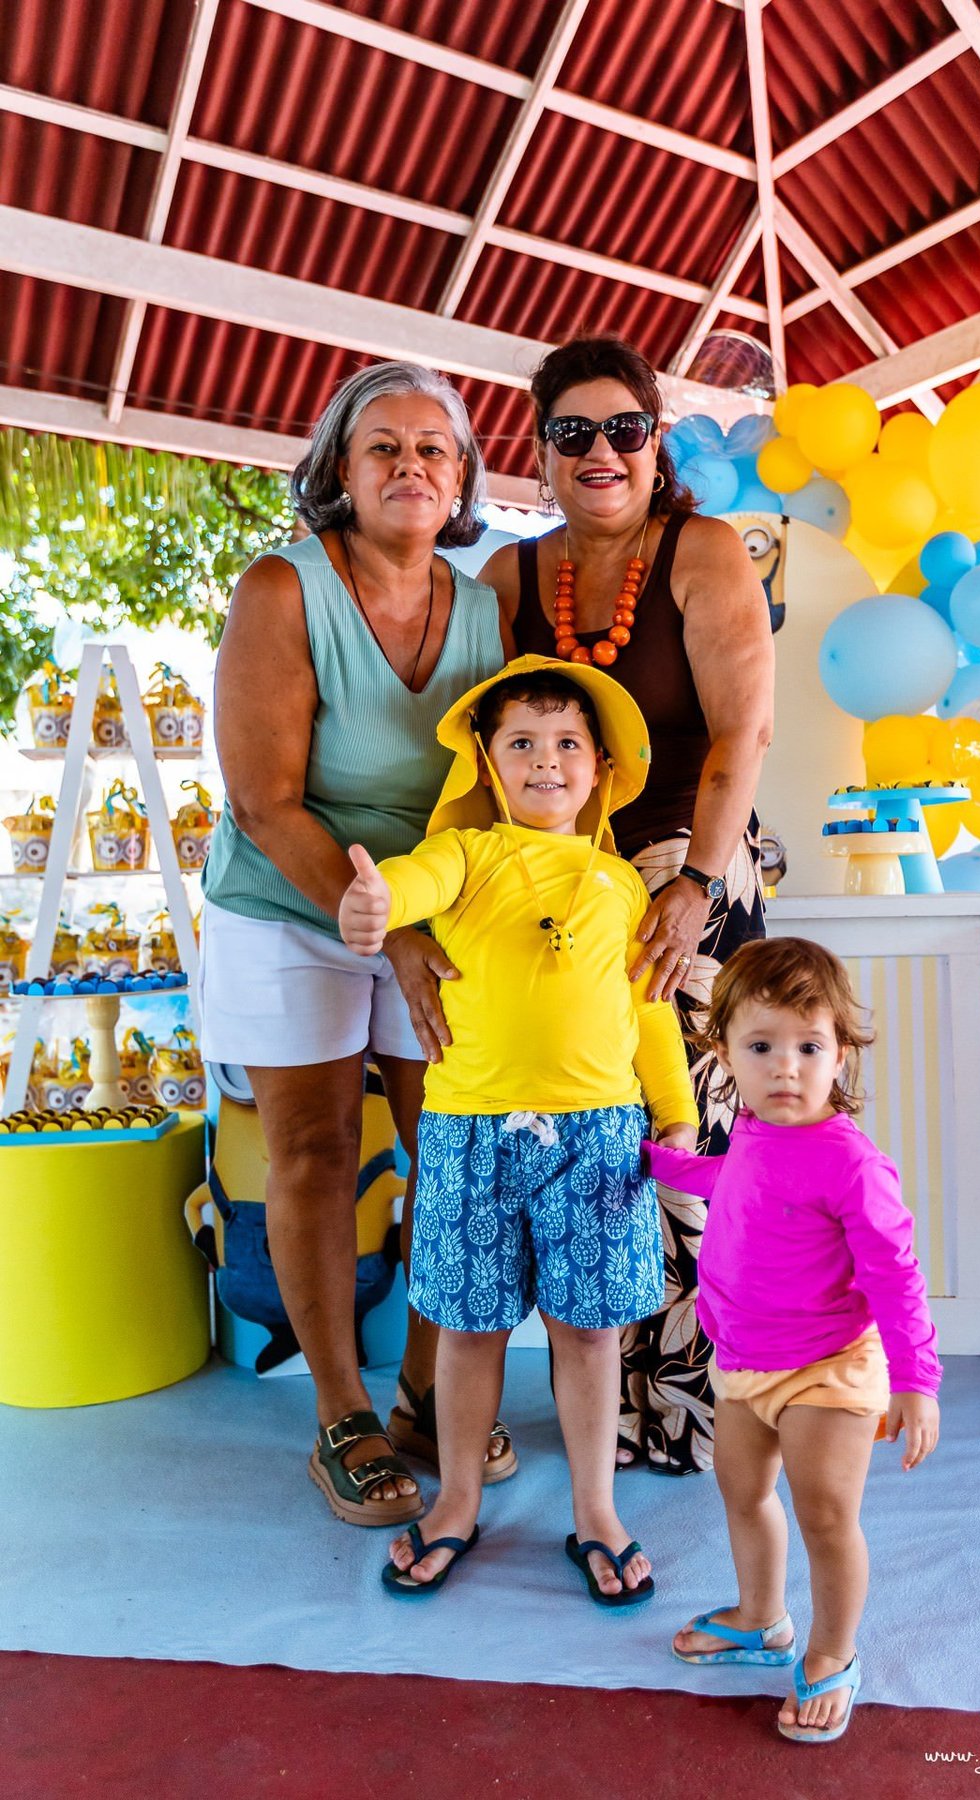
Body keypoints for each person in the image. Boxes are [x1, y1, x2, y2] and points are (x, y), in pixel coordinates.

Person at [200, 360, 515, 1528]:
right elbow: (265, 804)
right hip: (292, 903)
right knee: (319, 1153)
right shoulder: (282, 589)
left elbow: (499, 783)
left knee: (463, 1152)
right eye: (384, 446)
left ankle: (432, 1398)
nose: (412, 466)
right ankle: (341, 1412)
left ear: (465, 475)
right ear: (338, 467)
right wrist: (392, 940)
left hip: (423, 912)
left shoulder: (484, 608)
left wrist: (434, 922)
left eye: (436, 447)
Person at [477, 334, 776, 1475]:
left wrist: (695, 885)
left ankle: (699, 1409)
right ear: (541, 452)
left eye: (623, 430)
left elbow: (741, 737)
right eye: (572, 433)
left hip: (681, 867)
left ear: (656, 444)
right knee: (582, 1140)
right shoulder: (514, 576)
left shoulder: (701, 550)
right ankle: (605, 1401)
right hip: (559, 887)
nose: (599, 452)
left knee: (679, 1130)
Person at [337, 658, 698, 1601]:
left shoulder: (623, 886)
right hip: (467, 1135)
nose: (547, 760)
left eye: (568, 742)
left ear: (601, 768)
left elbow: (652, 1008)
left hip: (601, 1138)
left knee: (589, 1334)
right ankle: (456, 1500)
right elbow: (412, 882)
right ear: (490, 767)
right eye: (523, 744)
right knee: (467, 1331)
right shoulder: (469, 857)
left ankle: (595, 1510)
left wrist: (679, 1111)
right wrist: (378, 904)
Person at [646, 937, 941, 1743]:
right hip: (743, 1367)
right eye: (763, 1046)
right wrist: (663, 1165)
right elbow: (735, 1184)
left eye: (809, 1047)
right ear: (725, 1055)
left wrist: (917, 1383)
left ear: (839, 1054)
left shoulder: (851, 1163)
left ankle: (833, 1652)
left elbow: (896, 1276)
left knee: (825, 1514)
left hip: (830, 1370)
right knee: (741, 1493)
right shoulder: (750, 1131)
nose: (787, 1067)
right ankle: (759, 1615)